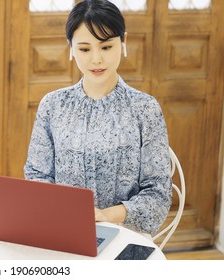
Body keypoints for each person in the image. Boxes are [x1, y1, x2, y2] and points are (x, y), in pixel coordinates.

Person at [24, 0, 172, 235]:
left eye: (106, 47)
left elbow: (158, 194)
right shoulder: (52, 105)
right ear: (70, 47)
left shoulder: (145, 109)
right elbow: (37, 176)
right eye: (84, 49)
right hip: (63, 231)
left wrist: (106, 216)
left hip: (124, 233)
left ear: (123, 42)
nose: (96, 59)